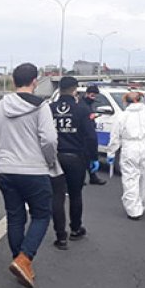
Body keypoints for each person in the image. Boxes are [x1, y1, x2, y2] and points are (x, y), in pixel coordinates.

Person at [0, 63, 59, 288]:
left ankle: (20, 262)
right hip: (35, 171)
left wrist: (4, 161)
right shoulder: (41, 107)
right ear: (35, 82)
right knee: (41, 216)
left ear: (13, 82)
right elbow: (49, 140)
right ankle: (24, 259)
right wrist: (48, 161)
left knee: (15, 218)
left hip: (8, 172)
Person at [49, 76, 99, 248]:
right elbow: (91, 136)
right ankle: (76, 229)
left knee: (57, 195)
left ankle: (60, 236)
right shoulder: (82, 109)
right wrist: (93, 158)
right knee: (75, 194)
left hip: (55, 157)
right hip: (76, 157)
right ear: (75, 90)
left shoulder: (50, 109)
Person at [106, 91, 145, 219]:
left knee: (130, 179)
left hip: (130, 147)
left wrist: (111, 152)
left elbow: (115, 137)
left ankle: (133, 210)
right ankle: (141, 205)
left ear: (126, 101)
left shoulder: (121, 116)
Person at [83, 85, 107, 186]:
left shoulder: (91, 104)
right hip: (83, 135)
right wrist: (90, 117)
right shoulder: (82, 105)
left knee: (88, 157)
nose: (94, 98)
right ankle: (83, 178)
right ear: (87, 94)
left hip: (89, 133)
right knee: (83, 157)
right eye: (92, 95)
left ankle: (93, 177)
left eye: (95, 96)